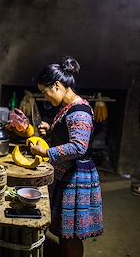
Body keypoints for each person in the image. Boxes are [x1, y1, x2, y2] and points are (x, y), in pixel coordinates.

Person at [30, 56, 103, 257]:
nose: (46, 98)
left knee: (71, 236)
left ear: (57, 85)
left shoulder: (79, 111)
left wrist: (46, 152)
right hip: (67, 174)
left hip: (77, 177)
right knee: (65, 231)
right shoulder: (68, 107)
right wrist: (51, 129)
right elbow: (69, 133)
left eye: (45, 92)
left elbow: (79, 146)